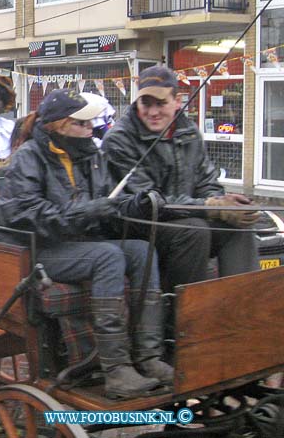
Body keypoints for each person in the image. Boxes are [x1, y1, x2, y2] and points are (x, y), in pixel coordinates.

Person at [0, 89, 172, 399]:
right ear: (59, 125)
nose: (90, 128)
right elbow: (20, 214)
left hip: (78, 244)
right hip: (37, 252)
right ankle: (116, 369)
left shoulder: (90, 156)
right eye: (82, 123)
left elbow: (108, 201)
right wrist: (87, 210)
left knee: (141, 250)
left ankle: (148, 357)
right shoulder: (29, 157)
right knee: (107, 256)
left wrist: (138, 204)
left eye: (91, 122)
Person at [101, 66, 260, 292]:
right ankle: (182, 317)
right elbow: (148, 203)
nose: (153, 112)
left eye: (161, 103)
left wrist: (227, 205)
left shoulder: (190, 132)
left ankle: (241, 308)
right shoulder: (119, 140)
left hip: (184, 217)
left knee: (237, 226)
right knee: (194, 231)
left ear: (177, 101)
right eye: (146, 103)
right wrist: (210, 207)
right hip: (135, 225)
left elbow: (208, 183)